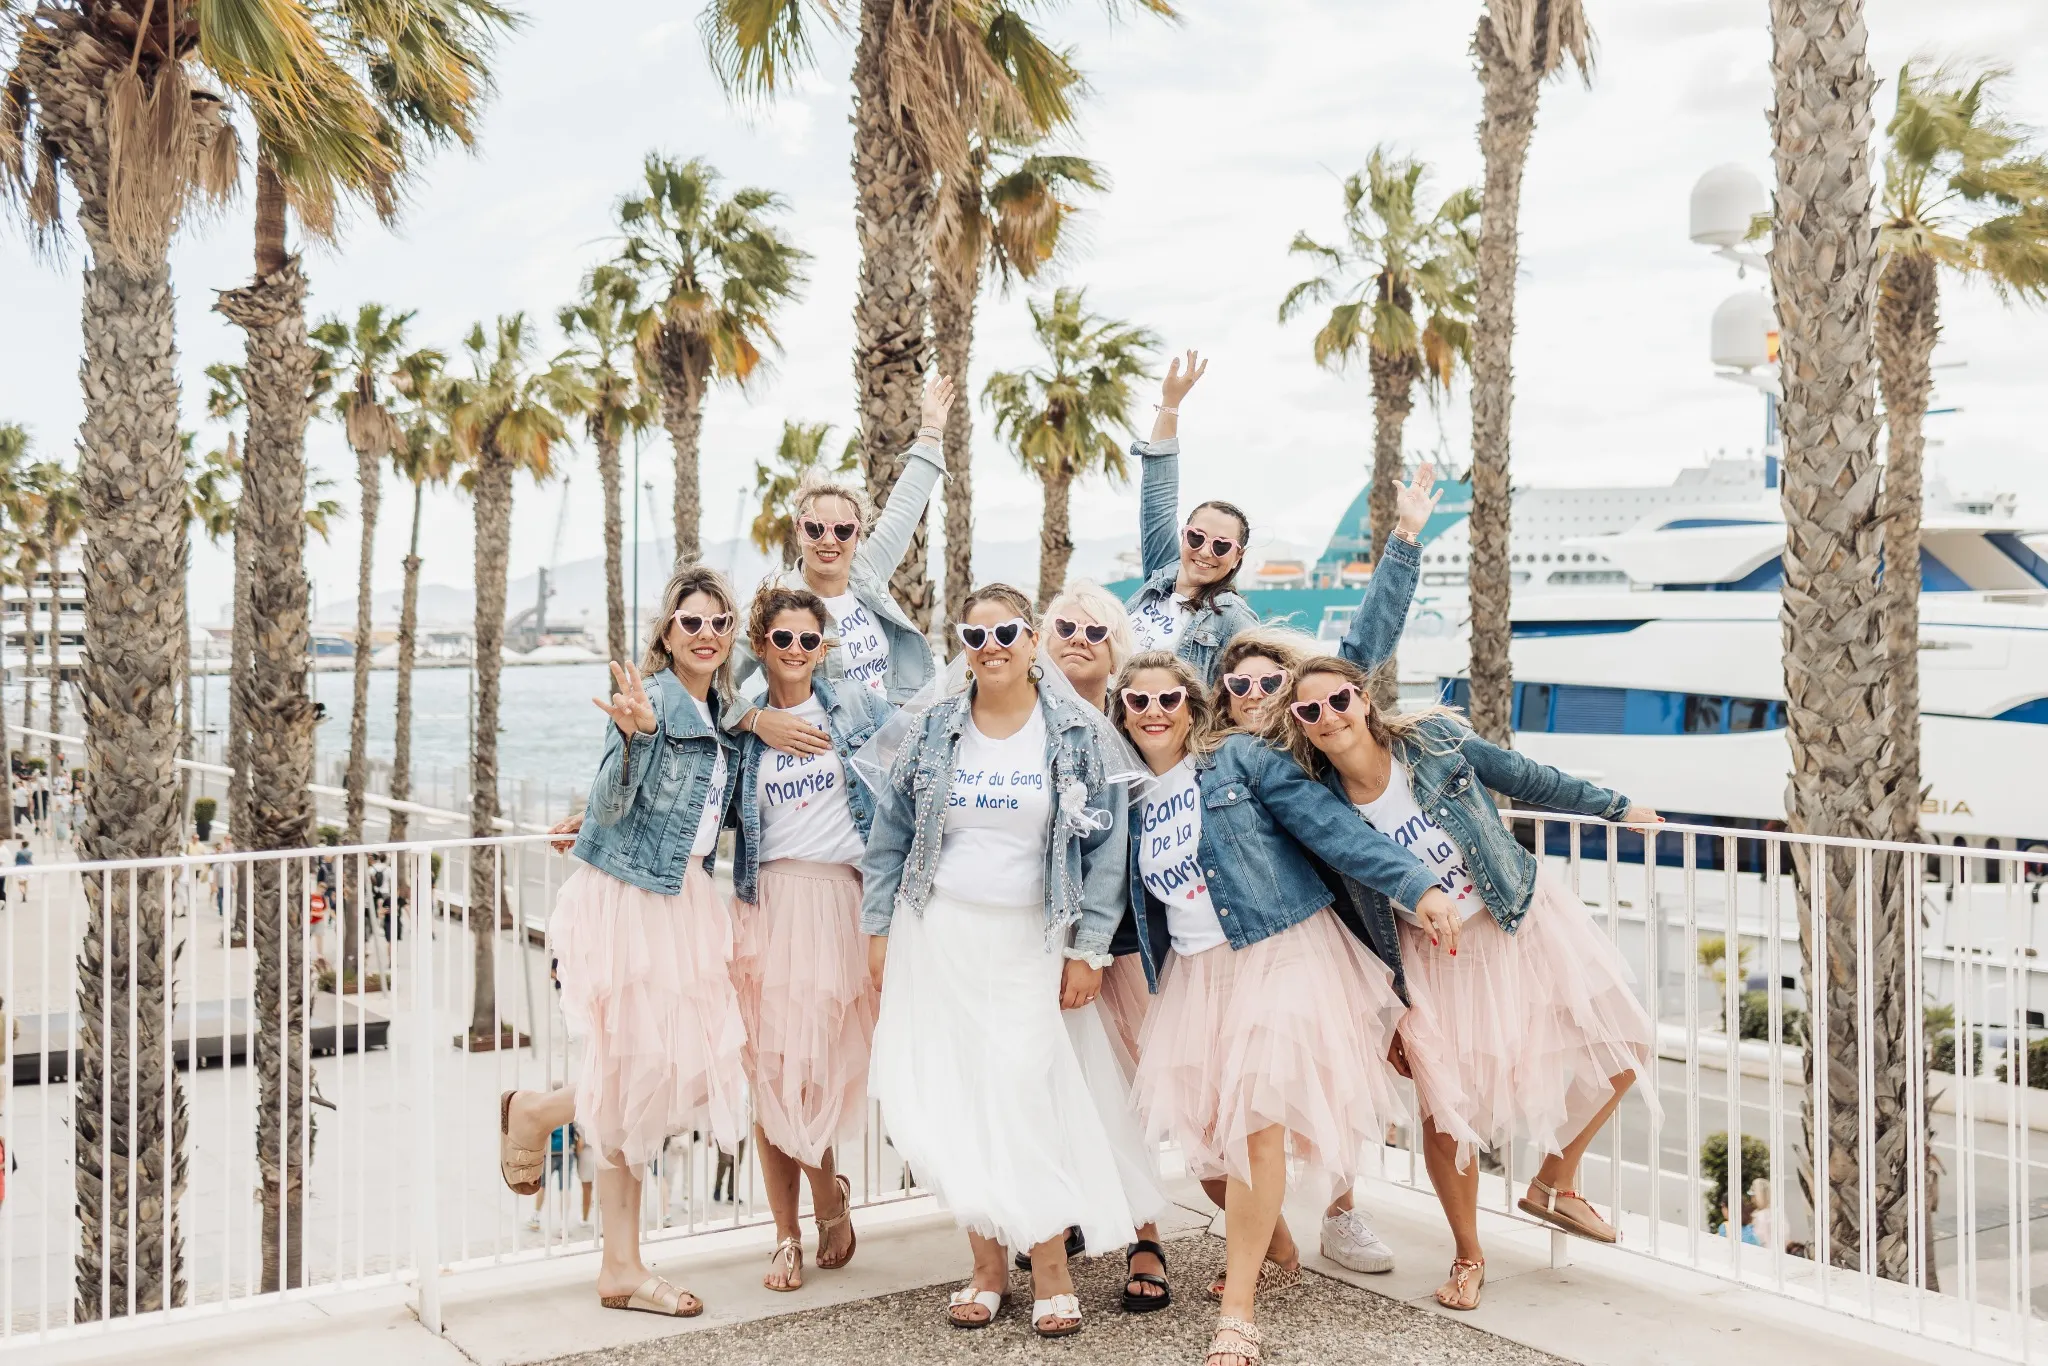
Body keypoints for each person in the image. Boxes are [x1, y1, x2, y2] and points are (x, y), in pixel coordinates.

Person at [1270, 654, 1663, 1312]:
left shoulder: (1431, 743)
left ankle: (1553, 1182)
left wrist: (1616, 808)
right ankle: (1468, 1255)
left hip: (1519, 919)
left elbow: (1524, 776)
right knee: (1446, 1113)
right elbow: (1343, 912)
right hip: (1433, 960)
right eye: (1309, 711)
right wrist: (1388, 1007)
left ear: (1362, 699)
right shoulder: (1321, 806)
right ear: (1300, 726)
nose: (1328, 717)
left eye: (1337, 700)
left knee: (1627, 1040)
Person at [1110, 651, 1455, 1366]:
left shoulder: (1239, 763)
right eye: (1137, 702)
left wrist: (1418, 884)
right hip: (1198, 976)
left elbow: (1334, 828)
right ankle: (1276, 1247)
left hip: (1279, 951)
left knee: (1256, 1128)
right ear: (1122, 714)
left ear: (1192, 705)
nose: (1153, 712)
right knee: (1204, 1142)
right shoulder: (1131, 799)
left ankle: (1238, 1313)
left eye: (1168, 698)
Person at [861, 584, 1164, 1339]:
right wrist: (877, 931)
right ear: (961, 642)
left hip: (1034, 939)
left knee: (1028, 1097)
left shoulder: (1079, 733)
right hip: (939, 934)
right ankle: (987, 1270)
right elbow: (890, 836)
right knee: (961, 1100)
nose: (991, 646)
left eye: (1006, 632)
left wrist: (1089, 948)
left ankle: (1052, 1269)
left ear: (1031, 640)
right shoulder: (933, 729)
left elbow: (1105, 852)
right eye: (975, 633)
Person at [497, 565, 748, 1320]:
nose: (705, 634)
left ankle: (539, 1113)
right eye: (689, 622)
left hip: (684, 896)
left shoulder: (725, 710)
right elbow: (612, 796)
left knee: (667, 1075)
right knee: (634, 1075)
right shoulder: (656, 701)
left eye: (717, 621)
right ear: (666, 635)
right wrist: (633, 739)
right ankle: (621, 1267)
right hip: (631, 899)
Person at [729, 585, 893, 1292]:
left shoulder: (853, 707)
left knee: (818, 1069)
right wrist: (752, 717)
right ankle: (787, 1234)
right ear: (761, 645)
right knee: (771, 1077)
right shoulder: (738, 721)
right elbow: (679, 722)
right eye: (783, 639)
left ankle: (831, 1195)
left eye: (809, 640)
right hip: (767, 904)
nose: (797, 651)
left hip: (838, 903)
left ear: (823, 647)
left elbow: (919, 754)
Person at [1039, 579, 1173, 1312]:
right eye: (1065, 626)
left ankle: (1146, 1232)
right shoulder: (1021, 725)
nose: (1078, 641)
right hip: (1044, 939)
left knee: (1128, 1088)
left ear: (1114, 650)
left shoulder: (1140, 728)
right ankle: (1067, 1217)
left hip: (1125, 947)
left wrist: (1091, 949)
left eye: (1095, 632)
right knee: (1061, 1084)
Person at [730, 378, 956, 757]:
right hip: (818, 757)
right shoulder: (776, 603)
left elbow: (905, 505)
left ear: (858, 535)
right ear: (799, 531)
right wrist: (754, 719)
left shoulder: (866, 571)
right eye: (815, 528)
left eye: (843, 530)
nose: (828, 540)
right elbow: (717, 678)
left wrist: (931, 429)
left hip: (885, 749)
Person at [1121, 353, 1255, 683]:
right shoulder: (1160, 575)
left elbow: (1255, 689)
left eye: (1222, 546)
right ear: (1184, 536)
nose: (1206, 551)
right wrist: (1170, 402)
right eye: (1197, 537)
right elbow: (1158, 499)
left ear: (1238, 556)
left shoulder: (1234, 619)